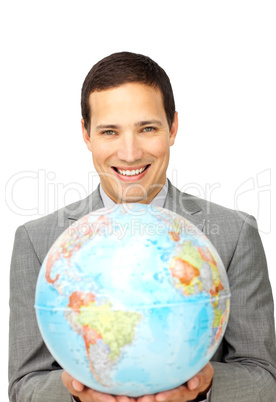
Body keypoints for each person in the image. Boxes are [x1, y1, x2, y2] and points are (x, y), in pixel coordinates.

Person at [9, 51, 276, 402]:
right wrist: (75, 395)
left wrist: (205, 386)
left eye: (147, 128)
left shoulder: (235, 234)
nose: (130, 153)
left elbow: (265, 379)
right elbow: (24, 384)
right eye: (109, 131)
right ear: (86, 135)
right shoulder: (37, 241)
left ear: (173, 127)